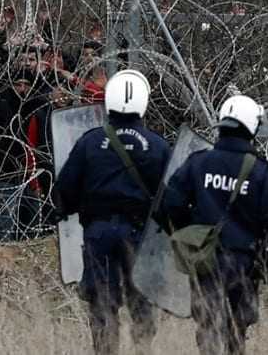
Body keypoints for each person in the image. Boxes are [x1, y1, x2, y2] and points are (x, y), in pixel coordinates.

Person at [160, 95, 268, 355]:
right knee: (238, 328)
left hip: (205, 257)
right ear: (251, 127)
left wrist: (188, 233)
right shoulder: (260, 172)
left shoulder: (199, 162)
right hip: (245, 261)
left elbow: (170, 203)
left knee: (208, 326)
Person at [53, 69, 169, 355]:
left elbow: (64, 189)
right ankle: (143, 349)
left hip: (99, 232)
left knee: (102, 304)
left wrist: (65, 211)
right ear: (143, 102)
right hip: (140, 236)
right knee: (141, 302)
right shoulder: (157, 146)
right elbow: (169, 196)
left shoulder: (90, 142)